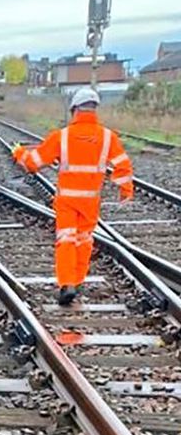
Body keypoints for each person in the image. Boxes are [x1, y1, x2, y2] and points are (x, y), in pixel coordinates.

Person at [11, 86, 134, 305]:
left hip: (67, 200)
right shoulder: (108, 137)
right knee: (84, 240)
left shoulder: (62, 137)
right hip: (90, 200)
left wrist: (19, 152)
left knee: (66, 240)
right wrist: (125, 189)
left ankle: (66, 284)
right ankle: (77, 281)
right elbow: (122, 166)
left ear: (74, 110)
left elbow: (33, 164)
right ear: (95, 109)